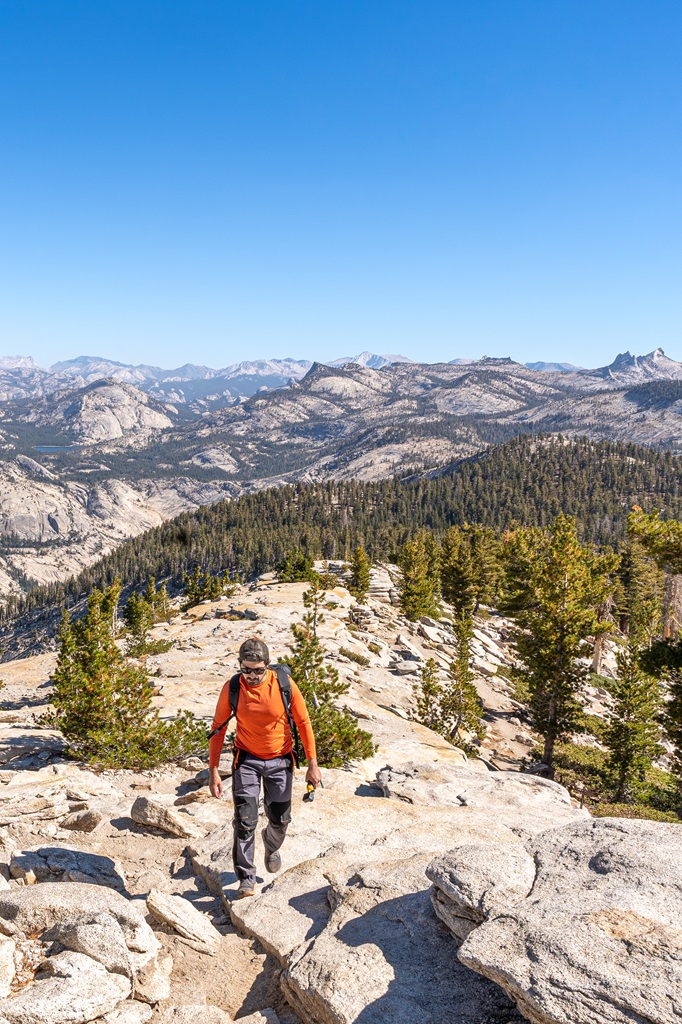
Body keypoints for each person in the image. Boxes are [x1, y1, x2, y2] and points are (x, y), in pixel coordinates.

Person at [208, 637, 322, 899]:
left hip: (280, 759)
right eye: (245, 669)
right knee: (245, 821)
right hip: (246, 760)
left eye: (258, 670)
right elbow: (218, 727)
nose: (252, 675)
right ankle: (246, 879)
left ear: (268, 666)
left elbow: (304, 723)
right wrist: (213, 769)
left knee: (280, 820)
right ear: (240, 666)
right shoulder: (233, 687)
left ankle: (271, 845)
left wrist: (312, 764)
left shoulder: (284, 685)